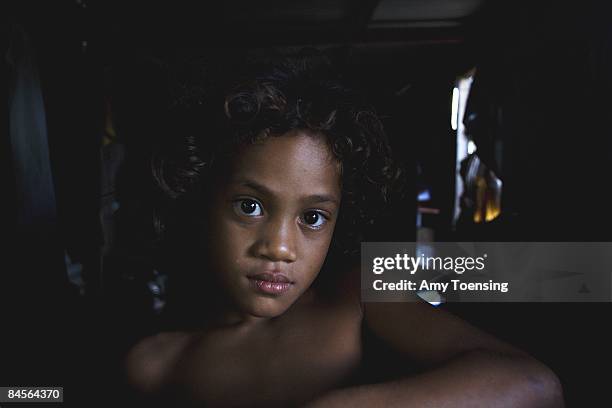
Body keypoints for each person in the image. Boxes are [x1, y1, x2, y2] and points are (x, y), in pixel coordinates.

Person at [118, 52, 563, 407]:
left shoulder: (360, 297)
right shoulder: (154, 365)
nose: (279, 247)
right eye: (250, 206)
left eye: (312, 218)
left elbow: (532, 385)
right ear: (199, 200)